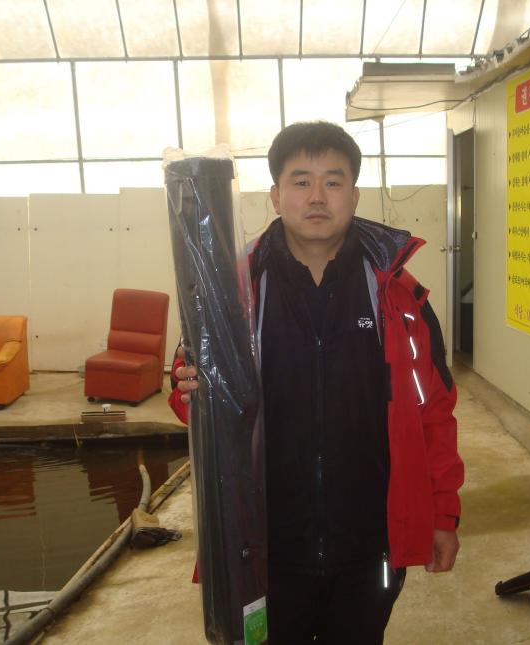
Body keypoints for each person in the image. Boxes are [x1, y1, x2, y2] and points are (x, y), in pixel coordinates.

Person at [169, 121, 463, 644]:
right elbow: (195, 401)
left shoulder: (398, 298)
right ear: (275, 195)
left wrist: (443, 515)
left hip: (370, 546)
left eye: (333, 181)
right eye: (301, 181)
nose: (318, 196)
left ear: (355, 195)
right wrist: (189, 387)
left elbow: (434, 413)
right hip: (265, 549)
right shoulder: (233, 293)